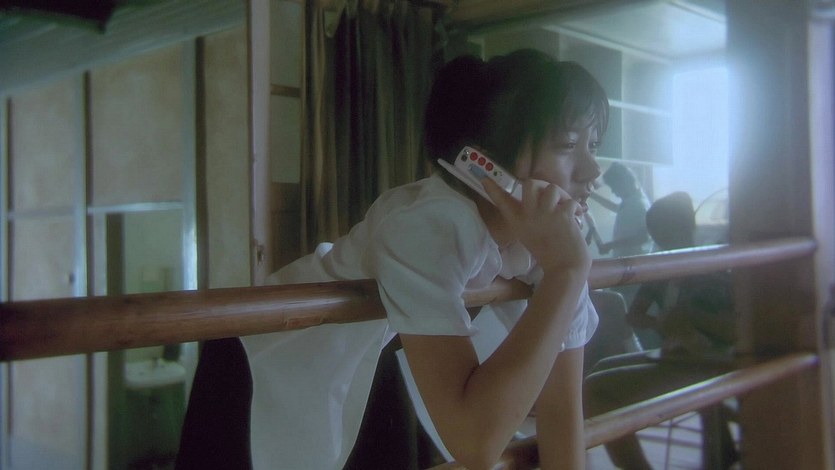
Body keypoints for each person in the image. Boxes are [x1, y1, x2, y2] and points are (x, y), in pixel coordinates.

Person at [178, 48, 608, 470]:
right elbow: (476, 442)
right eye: (568, 145)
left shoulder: (549, 244)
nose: (592, 171)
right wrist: (566, 274)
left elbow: (561, 409)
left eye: (592, 144)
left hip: (376, 355)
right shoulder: (427, 226)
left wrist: (564, 271)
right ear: (487, 161)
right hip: (267, 364)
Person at [584, 192, 738, 470]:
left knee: (594, 389)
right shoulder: (662, 267)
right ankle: (720, 444)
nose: (660, 238)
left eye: (665, 230)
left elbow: (733, 332)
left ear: (685, 228)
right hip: (677, 355)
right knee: (601, 367)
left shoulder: (713, 268)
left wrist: (691, 318)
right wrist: (662, 323)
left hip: (710, 360)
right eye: (657, 232)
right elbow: (634, 315)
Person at [590, 162, 650, 258]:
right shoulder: (631, 200)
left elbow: (643, 237)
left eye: (613, 187)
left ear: (623, 183)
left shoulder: (639, 205)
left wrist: (611, 245)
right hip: (626, 258)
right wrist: (592, 195)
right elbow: (616, 208)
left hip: (634, 259)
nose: (613, 191)